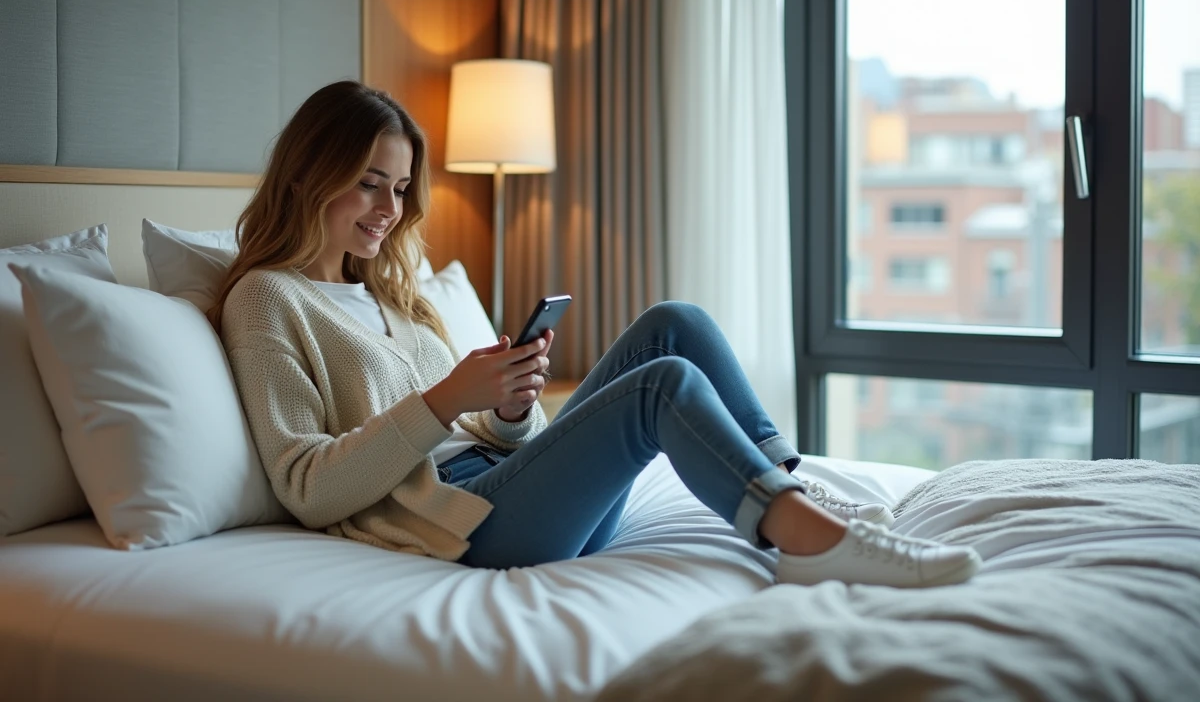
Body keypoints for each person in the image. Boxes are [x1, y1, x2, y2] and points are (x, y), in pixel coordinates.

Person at [210, 80, 981, 588]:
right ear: (311, 174)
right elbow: (308, 491)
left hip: (501, 484)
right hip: (459, 523)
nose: (388, 208)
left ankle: (792, 487)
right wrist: (447, 399)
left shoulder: (392, 292)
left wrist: (510, 409)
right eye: (369, 182)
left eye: (402, 187)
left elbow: (506, 444)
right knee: (660, 388)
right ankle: (805, 541)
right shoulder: (266, 300)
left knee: (673, 326)